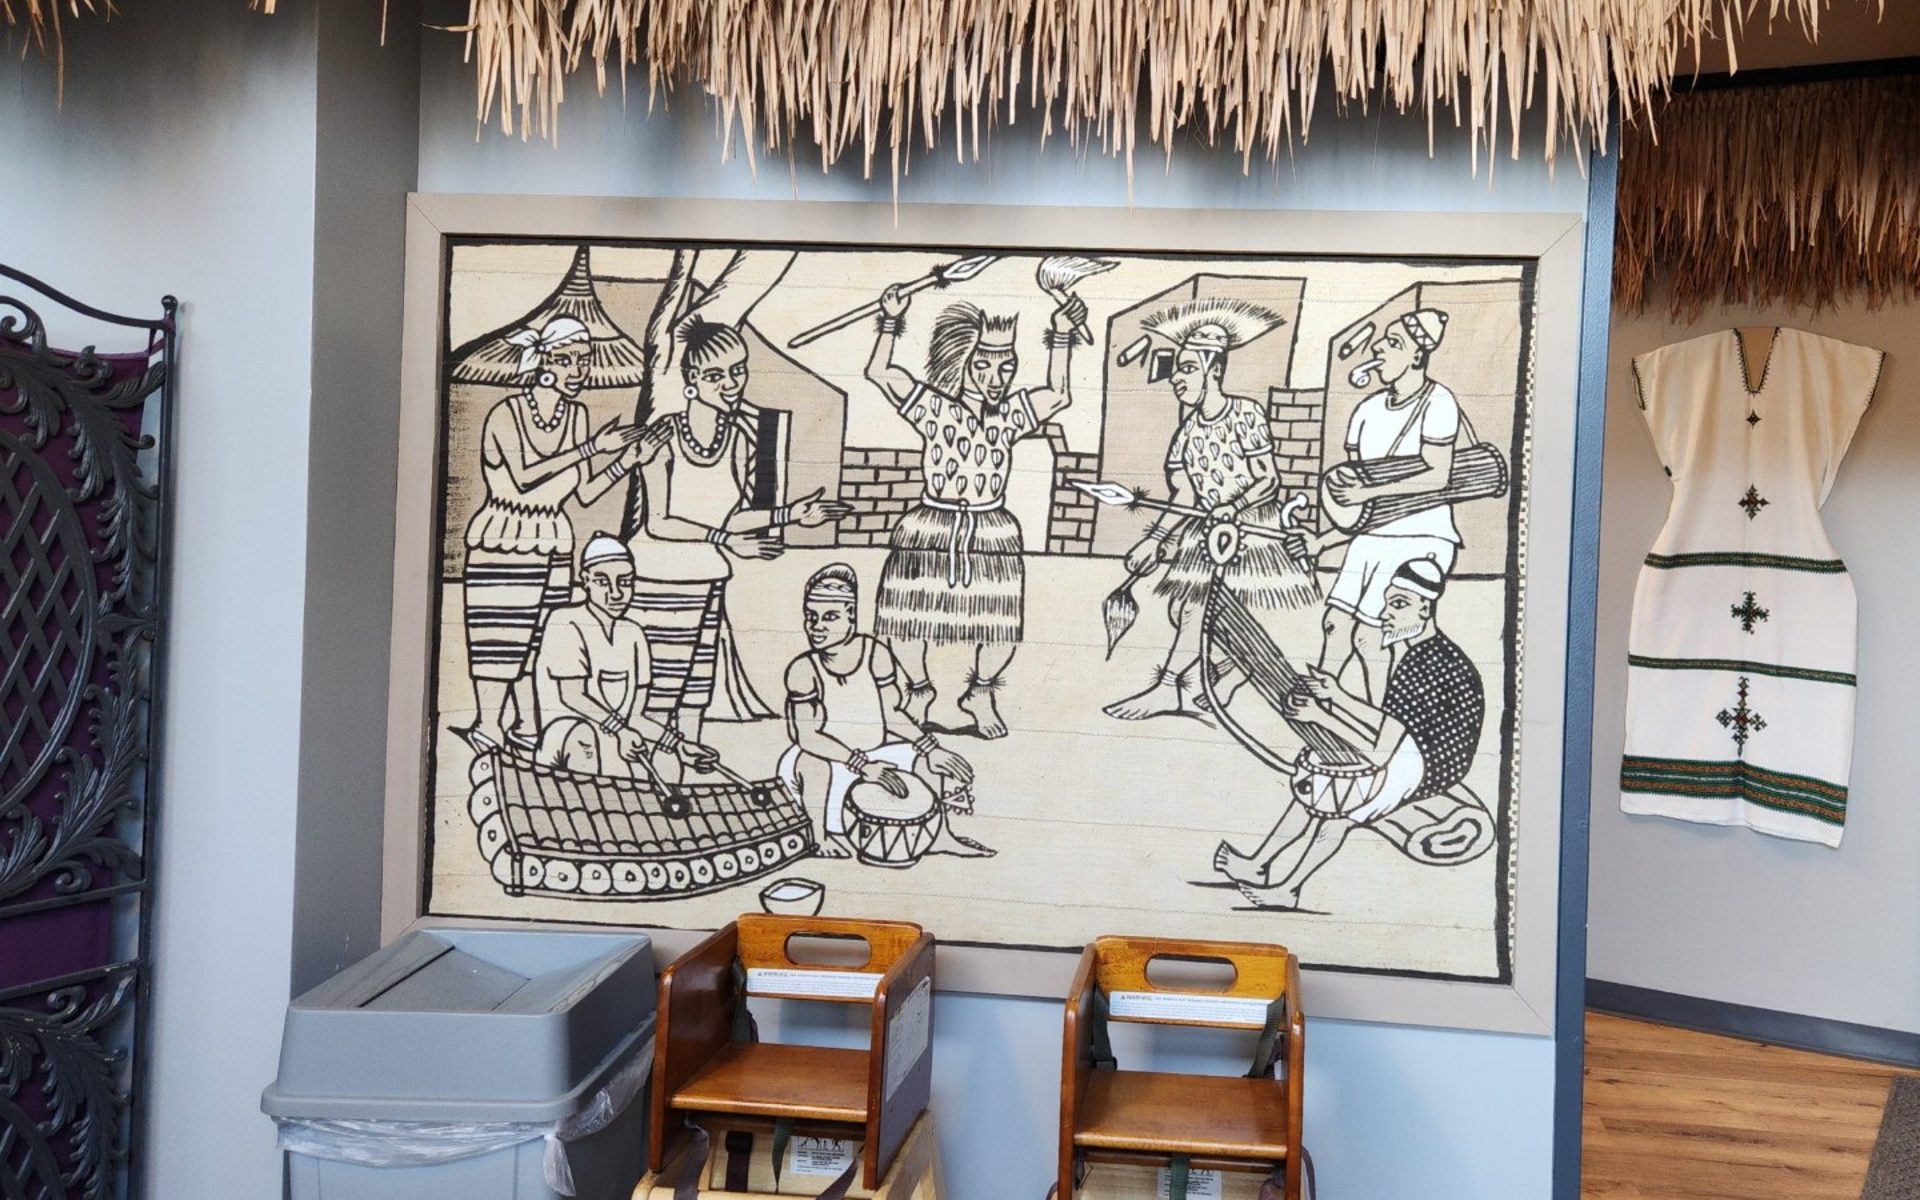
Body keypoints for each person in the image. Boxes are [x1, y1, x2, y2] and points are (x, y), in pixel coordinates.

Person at [863, 285, 1086, 738]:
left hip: (990, 526)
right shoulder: (933, 408)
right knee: (905, 617)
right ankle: (919, 689)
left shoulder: (1011, 414)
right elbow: (879, 371)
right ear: (959, 362)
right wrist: (890, 319)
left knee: (999, 624)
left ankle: (981, 692)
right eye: (982, 365)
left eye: (1007, 366)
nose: (996, 377)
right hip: (931, 524)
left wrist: (1062, 334)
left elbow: (1059, 395)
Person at [1214, 556, 1484, 908]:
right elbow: (1389, 721)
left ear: (1425, 608)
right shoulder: (1417, 653)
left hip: (1432, 765)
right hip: (1413, 746)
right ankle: (1258, 864)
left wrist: (1321, 716)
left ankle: (1289, 889)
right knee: (1320, 781)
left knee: (1340, 809)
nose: (1386, 613)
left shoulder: (1428, 663)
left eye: (1398, 604)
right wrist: (1338, 695)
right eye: (1388, 602)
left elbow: (1384, 746)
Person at [631, 320, 851, 748]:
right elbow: (659, 522)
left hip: (709, 578)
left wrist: (792, 514)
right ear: (692, 380)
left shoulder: (735, 439)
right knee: (659, 689)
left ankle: (686, 766)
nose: (731, 384)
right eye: (716, 375)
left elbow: (731, 518)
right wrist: (725, 542)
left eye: (738, 370)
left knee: (696, 689)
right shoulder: (664, 436)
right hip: (660, 579)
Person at [1105, 298, 1319, 721]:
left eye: (1187, 369)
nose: (1176, 378)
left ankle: (1168, 688)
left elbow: (1268, 479)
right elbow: (1184, 497)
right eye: (1176, 369)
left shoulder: (1246, 414)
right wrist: (1154, 541)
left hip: (1250, 533)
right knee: (1181, 610)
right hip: (1206, 534)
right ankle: (1229, 669)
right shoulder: (1186, 434)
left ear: (1214, 371)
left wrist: (1232, 506)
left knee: (1195, 609)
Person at [460, 315, 644, 751]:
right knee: (501, 640)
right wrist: (593, 447)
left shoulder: (576, 415)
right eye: (566, 360)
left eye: (584, 360)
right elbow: (525, 477)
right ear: (542, 361)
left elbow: (585, 491)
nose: (577, 370)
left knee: (540, 643)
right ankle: (488, 728)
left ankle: (528, 729)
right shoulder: (506, 413)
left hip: (555, 541)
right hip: (505, 538)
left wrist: (628, 459)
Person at [1302, 307, 1464, 703]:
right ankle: (1318, 704)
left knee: (1370, 634)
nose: (1379, 348)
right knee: (1336, 623)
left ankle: (1382, 721)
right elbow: (1357, 509)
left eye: (1393, 343)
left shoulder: (1439, 401)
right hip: (1373, 536)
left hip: (1422, 535)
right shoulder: (1366, 410)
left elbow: (1437, 475)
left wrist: (1369, 493)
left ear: (1417, 355)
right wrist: (1322, 541)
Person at [778, 563, 984, 860]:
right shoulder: (803, 669)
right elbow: (807, 738)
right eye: (811, 617)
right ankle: (818, 838)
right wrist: (862, 766)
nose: (817, 626)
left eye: (829, 616)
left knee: (925, 758)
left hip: (873, 753)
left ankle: (939, 836)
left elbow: (891, 714)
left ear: (851, 615)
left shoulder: (875, 653)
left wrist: (931, 748)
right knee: (812, 763)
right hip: (827, 765)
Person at [531, 532, 722, 778]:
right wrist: (621, 731)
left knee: (668, 757)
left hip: (613, 742)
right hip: (566, 740)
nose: (616, 593)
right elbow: (572, 695)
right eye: (603, 582)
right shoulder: (565, 621)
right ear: (585, 580)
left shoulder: (634, 634)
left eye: (624, 582)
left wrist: (678, 744)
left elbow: (635, 717)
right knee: (584, 738)